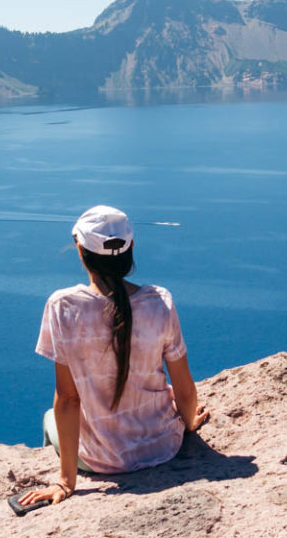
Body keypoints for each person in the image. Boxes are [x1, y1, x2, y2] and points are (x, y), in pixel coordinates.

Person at [21, 205, 209, 508]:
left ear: (80, 251)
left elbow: (68, 400)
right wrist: (188, 425)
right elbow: (185, 388)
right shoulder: (159, 302)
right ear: (131, 248)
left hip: (99, 460)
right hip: (163, 447)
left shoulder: (63, 306)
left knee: (48, 417)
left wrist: (66, 483)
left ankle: (61, 472)